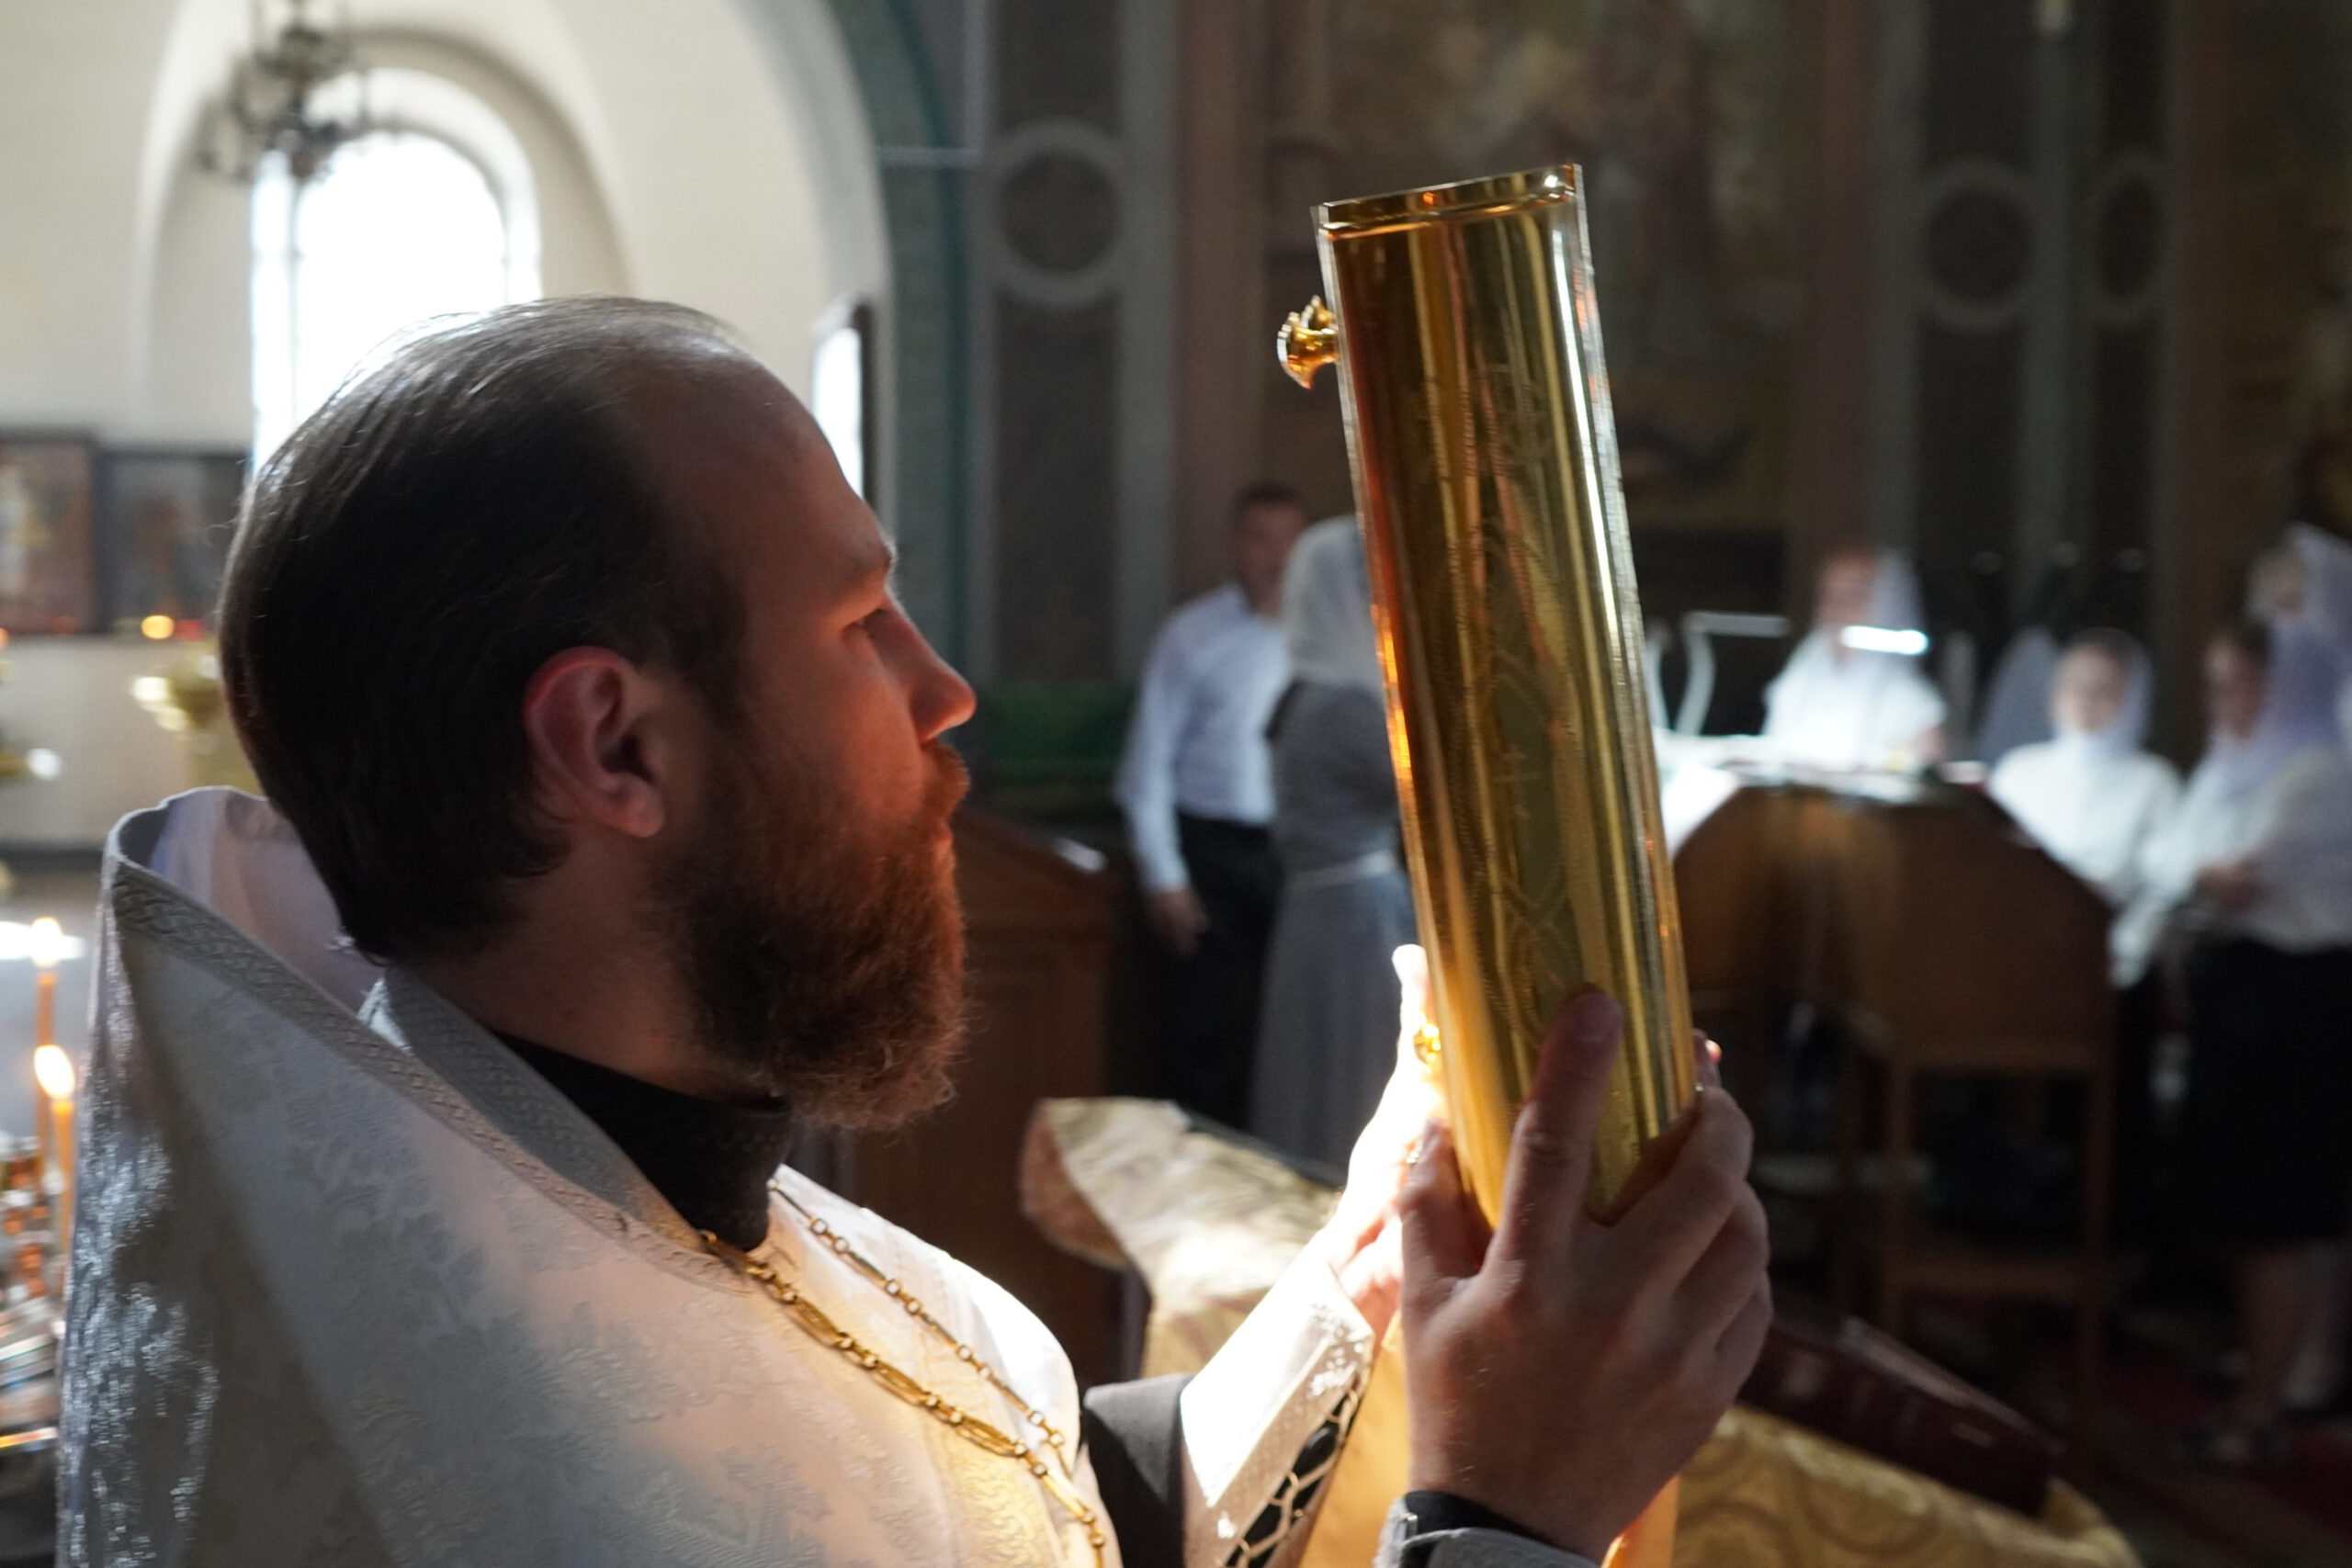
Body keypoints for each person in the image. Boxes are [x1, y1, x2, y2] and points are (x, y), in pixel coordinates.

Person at [62, 299, 1771, 1568]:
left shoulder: (538, 1166)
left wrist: (1355, 1270)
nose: (945, 690)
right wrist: (1502, 1520)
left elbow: (1026, 1500)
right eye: (863, 617)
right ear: (617, 745)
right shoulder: (511, 1480)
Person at [2137, 619, 2352, 1467]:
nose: (2223, 701)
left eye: (2242, 683)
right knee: (2241, 1207)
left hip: (2293, 1006)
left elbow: (2239, 871)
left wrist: (2193, 870)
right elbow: (2168, 856)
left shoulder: (2319, 772)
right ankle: (2264, 1374)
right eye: (2216, 682)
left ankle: (2262, 1407)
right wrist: (2192, 869)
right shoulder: (2236, 765)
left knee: (2273, 1213)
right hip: (2243, 1000)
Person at [1115, 482, 1306, 1126]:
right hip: (1210, 853)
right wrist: (1164, 877)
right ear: (1235, 545)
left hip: (1296, 855)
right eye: (1260, 539)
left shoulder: (1326, 633)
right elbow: (1147, 766)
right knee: (1206, 1030)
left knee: (1286, 1029)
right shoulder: (1191, 635)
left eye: (1288, 540)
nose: (1275, 556)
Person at [1250, 519, 1417, 1172]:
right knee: (1357, 1073)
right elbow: (1428, 792)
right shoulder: (1342, 706)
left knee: (1326, 1068)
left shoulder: (1307, 692)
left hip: (1323, 912)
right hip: (1354, 915)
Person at [1991, 629, 2181, 986]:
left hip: (2107, 963)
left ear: (2131, 697)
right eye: (2074, 685)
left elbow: (2163, 886)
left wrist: (2121, 958)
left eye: (2103, 689)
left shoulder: (2153, 781)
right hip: (2018, 957)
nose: (2085, 699)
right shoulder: (2019, 770)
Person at [1760, 545, 1947, 769]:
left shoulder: (1912, 702)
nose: (1837, 609)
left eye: (1854, 596)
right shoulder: (1798, 678)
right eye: (1828, 595)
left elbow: (1924, 769)